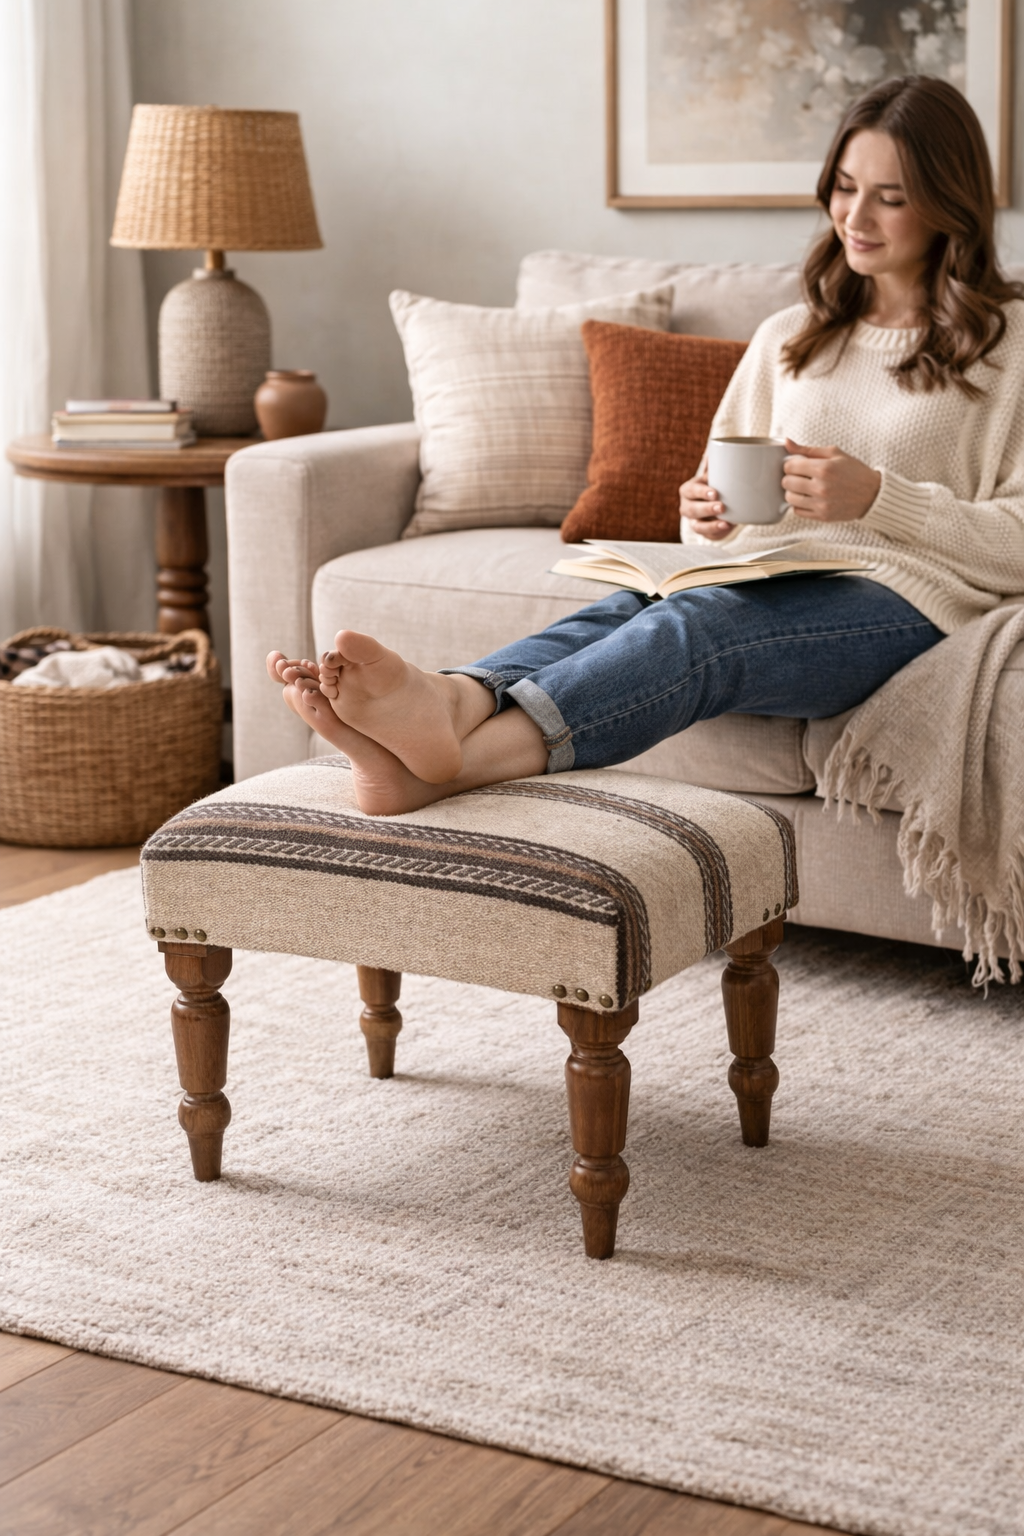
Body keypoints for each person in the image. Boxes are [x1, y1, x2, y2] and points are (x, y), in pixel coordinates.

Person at [268, 75, 1024, 818]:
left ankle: (452, 766)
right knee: (634, 605)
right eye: (844, 187)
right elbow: (714, 504)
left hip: (909, 602)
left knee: (698, 627)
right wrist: (706, 517)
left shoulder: (1009, 346)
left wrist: (881, 500)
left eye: (889, 198)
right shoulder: (789, 336)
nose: (855, 216)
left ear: (947, 203)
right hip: (773, 574)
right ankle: (452, 698)